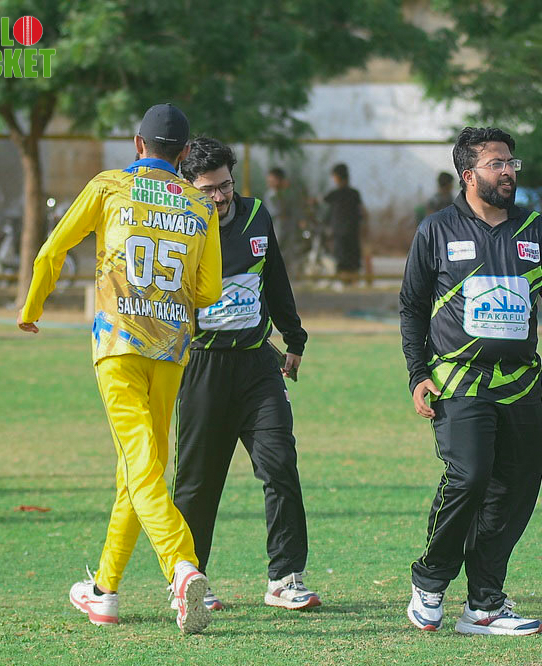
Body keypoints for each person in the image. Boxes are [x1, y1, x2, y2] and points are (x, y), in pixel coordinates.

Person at [399, 127, 542, 636]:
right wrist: (417, 375)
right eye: (496, 163)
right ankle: (430, 580)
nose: (508, 171)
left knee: (515, 490)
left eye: (510, 162)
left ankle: (484, 605)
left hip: (521, 386)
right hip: (458, 382)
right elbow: (411, 308)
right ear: (468, 174)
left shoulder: (535, 230)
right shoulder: (436, 230)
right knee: (469, 476)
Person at [17, 103, 222, 634]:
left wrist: (32, 306)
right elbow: (208, 291)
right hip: (171, 349)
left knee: (140, 466)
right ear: (184, 153)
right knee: (140, 468)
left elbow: (52, 250)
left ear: (138, 144)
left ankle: (181, 565)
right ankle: (104, 592)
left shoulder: (109, 186)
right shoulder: (200, 205)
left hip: (119, 343)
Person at [172, 137, 321, 612]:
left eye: (226, 185)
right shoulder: (176, 227)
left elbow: (274, 278)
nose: (219, 197)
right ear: (188, 187)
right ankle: (189, 581)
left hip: (258, 364)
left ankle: (285, 578)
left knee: (280, 466)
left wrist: (293, 338)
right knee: (198, 482)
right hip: (202, 367)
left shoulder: (256, 215)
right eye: (208, 189)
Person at [323, 163, 369, 285]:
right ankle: (351, 285)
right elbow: (362, 213)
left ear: (337, 177)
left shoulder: (334, 195)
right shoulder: (354, 194)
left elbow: (324, 206)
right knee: (352, 264)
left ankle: (346, 285)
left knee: (342, 263)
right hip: (352, 234)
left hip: (340, 236)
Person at [265, 167, 303, 278]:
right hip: (277, 226)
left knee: (288, 251)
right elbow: (277, 211)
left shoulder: (287, 194)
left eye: (273, 180)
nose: (270, 183)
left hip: (288, 227)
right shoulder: (271, 195)